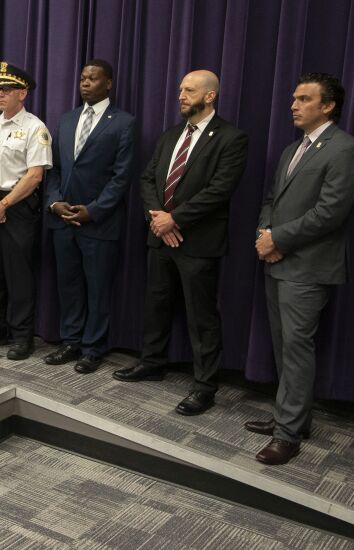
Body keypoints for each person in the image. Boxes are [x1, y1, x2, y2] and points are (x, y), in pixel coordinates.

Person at [113, 70, 249, 417]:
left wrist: (175, 219)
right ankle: (152, 362)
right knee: (156, 304)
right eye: (180, 90)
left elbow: (219, 190)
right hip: (160, 236)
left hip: (198, 242)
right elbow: (147, 179)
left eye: (189, 90)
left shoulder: (231, 138)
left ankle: (204, 386)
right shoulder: (171, 135)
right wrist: (159, 219)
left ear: (210, 96)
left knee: (201, 316)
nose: (181, 96)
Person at [248, 73, 354, 465]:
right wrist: (265, 235)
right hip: (277, 262)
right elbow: (272, 199)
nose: (293, 105)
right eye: (294, 98)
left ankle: (287, 435)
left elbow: (330, 213)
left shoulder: (345, 149)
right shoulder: (291, 149)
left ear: (327, 106)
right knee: (284, 347)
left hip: (309, 267)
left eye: (303, 99)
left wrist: (278, 239)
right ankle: (293, 418)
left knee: (297, 349)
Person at [44, 60, 135, 373]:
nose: (85, 83)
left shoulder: (123, 122)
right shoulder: (67, 119)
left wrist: (93, 210)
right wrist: (54, 202)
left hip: (99, 222)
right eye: (82, 78)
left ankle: (93, 348)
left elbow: (122, 177)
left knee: (97, 289)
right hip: (62, 219)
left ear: (108, 83)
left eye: (93, 78)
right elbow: (54, 169)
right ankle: (71, 341)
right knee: (68, 285)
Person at [0, 62, 52, 361]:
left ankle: (21, 336)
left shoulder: (35, 128)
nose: (0, 94)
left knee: (19, 275)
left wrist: (3, 205)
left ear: (22, 93)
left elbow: (35, 175)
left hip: (18, 207)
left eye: (7, 89)